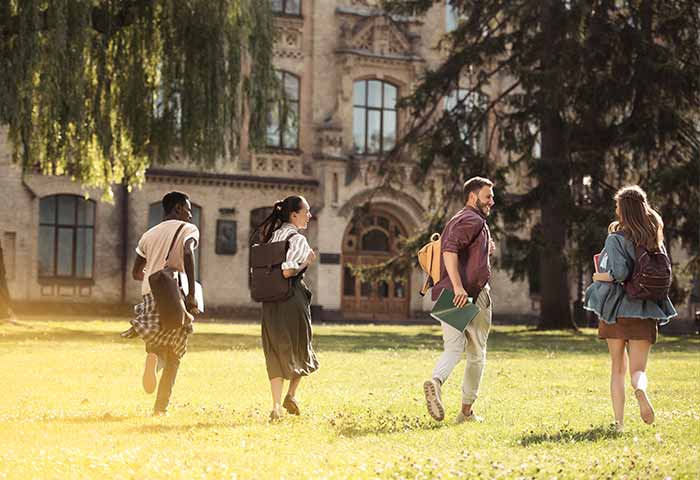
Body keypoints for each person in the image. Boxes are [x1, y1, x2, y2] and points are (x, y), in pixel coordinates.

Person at [584, 185, 676, 432]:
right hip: (645, 311)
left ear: (623, 211)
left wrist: (598, 277)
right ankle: (641, 390)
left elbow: (619, 274)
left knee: (617, 368)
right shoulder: (654, 237)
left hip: (616, 311)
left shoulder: (615, 239)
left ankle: (619, 423)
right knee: (638, 370)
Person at [423, 177, 496, 424]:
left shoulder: (460, 218)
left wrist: (486, 249)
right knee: (477, 353)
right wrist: (458, 287)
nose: (492, 202)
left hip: (450, 294)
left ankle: (436, 382)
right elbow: (450, 251)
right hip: (470, 295)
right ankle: (466, 413)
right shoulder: (472, 219)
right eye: (488, 196)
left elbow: (459, 249)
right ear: (473, 197)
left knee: (453, 348)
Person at [122, 191, 200, 415]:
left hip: (149, 292)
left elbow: (136, 272)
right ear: (177, 208)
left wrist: (152, 272)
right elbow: (187, 251)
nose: (190, 216)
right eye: (188, 210)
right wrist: (192, 292)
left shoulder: (148, 234)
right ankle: (159, 409)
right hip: (174, 294)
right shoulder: (188, 230)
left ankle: (153, 358)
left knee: (157, 340)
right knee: (175, 354)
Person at [250, 195, 319, 421]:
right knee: (300, 345)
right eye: (306, 211)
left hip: (270, 302)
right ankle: (291, 394)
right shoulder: (297, 239)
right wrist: (307, 262)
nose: (309, 215)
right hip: (291, 298)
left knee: (274, 350)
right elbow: (288, 272)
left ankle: (277, 406)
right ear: (294, 215)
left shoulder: (271, 237)